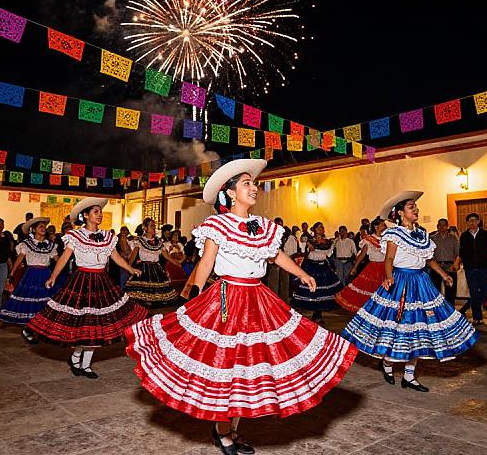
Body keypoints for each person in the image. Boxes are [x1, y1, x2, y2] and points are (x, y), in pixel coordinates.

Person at [125, 159, 357, 455]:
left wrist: (303, 273)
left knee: (252, 366)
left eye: (254, 183)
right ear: (231, 193)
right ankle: (224, 433)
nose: (254, 188)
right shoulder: (216, 225)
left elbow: (275, 258)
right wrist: (194, 298)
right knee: (225, 365)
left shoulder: (265, 227)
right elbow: (206, 263)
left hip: (259, 299)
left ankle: (231, 430)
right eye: (247, 184)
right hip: (227, 299)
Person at [342, 191, 478, 392]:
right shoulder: (394, 234)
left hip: (420, 282)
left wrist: (443, 274)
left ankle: (409, 376)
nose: (415, 209)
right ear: (399, 213)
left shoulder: (423, 234)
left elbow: (427, 259)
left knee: (419, 329)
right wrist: (389, 277)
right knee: (397, 328)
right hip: (400, 282)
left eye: (415, 206)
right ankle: (387, 365)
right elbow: (388, 259)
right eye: (411, 206)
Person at [26, 197, 149, 379]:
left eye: (100, 212)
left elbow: (115, 257)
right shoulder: (76, 236)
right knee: (84, 325)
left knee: (96, 325)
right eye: (95, 212)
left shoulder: (108, 237)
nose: (99, 216)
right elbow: (64, 258)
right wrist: (53, 276)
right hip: (82, 281)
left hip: (102, 282)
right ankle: (77, 359)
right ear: (85, 215)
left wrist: (130, 268)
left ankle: (84, 364)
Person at [0, 217, 59, 342]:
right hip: (32, 275)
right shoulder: (27, 244)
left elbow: (58, 260)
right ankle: (28, 329)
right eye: (40, 226)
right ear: (33, 229)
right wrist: (11, 274)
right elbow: (19, 260)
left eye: (44, 226)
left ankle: (39, 329)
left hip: (46, 275)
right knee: (31, 303)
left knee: (45, 304)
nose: (43, 228)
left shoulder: (50, 245)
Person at [291, 222, 342, 325]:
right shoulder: (309, 240)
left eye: (322, 227)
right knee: (312, 289)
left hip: (323, 267)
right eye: (319, 227)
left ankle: (318, 314)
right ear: (314, 229)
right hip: (312, 266)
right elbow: (305, 251)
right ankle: (314, 313)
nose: (321, 229)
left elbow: (328, 254)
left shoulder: (328, 242)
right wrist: (308, 247)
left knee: (322, 291)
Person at [335, 217, 387, 313]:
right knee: (370, 291)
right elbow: (362, 254)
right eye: (383, 224)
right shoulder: (369, 240)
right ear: (376, 227)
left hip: (386, 268)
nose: (385, 226)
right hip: (374, 269)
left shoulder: (387, 239)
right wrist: (355, 267)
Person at [125, 218, 179, 307]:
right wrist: (129, 267)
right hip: (143, 268)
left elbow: (165, 255)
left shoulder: (159, 241)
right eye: (152, 226)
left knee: (162, 297)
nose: (154, 228)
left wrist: (175, 262)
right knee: (144, 296)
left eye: (154, 226)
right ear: (145, 228)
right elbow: (133, 255)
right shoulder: (139, 241)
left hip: (156, 268)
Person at [459, 213, 487, 325]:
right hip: (470, 269)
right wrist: (465, 263)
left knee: (486, 292)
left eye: (474, 220)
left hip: (483, 268)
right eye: (469, 221)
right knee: (474, 293)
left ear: (478, 221)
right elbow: (462, 252)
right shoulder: (464, 236)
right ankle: (477, 317)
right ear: (467, 222)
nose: (472, 222)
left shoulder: (486, 234)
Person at [429, 219, 460, 306]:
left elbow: (458, 253)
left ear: (447, 227)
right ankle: (437, 309)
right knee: (435, 290)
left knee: (451, 290)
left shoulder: (453, 238)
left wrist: (455, 263)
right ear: (437, 226)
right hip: (436, 266)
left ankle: (450, 310)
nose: (441, 227)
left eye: (444, 225)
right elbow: (429, 254)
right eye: (440, 225)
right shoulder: (432, 239)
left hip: (450, 266)